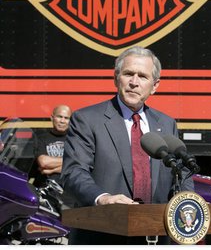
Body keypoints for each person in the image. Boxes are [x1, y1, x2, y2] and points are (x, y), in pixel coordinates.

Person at [61, 46, 195, 244]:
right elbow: (74, 172)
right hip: (102, 234)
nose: (134, 82)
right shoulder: (87, 120)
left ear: (155, 85)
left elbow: (181, 174)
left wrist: (190, 201)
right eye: (128, 74)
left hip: (156, 235)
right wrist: (103, 198)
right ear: (116, 78)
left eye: (142, 76)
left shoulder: (166, 124)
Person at [34, 104, 75, 207]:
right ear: (52, 118)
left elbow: (80, 164)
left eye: (66, 118)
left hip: (69, 193)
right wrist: (70, 163)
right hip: (46, 193)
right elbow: (43, 162)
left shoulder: (75, 139)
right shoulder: (40, 138)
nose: (62, 121)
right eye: (59, 116)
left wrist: (51, 169)